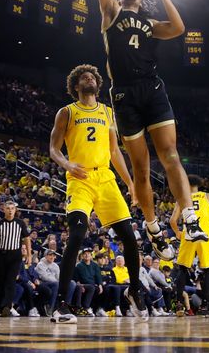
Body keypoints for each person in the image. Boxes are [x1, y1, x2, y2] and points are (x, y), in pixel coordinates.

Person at [95, 0, 208, 252]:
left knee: (171, 153)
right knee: (141, 169)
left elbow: (178, 27)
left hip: (152, 88)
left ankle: (188, 217)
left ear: (142, 1)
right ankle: (153, 227)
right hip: (124, 94)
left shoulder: (150, 23)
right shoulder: (110, 12)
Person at [48, 64, 148, 323]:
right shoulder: (67, 112)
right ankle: (61, 304)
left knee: (128, 235)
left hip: (105, 178)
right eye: (83, 77)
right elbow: (54, 149)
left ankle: (133, 291)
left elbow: (115, 152)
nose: (88, 78)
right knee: (78, 234)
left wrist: (131, 183)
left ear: (97, 83)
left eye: (91, 76)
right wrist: (68, 164)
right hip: (79, 178)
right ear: (75, 86)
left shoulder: (107, 112)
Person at [169, 175, 209, 316]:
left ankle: (178, 305)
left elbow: (172, 221)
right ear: (198, 185)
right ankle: (205, 305)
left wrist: (177, 232)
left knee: (182, 269)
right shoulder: (208, 196)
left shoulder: (182, 198)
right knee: (208, 270)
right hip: (204, 236)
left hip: (188, 234)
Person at [0, 201, 32, 317]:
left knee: (11, 281)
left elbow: (27, 239)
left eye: (12, 208)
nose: (10, 210)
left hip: (15, 255)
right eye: (8, 208)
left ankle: (7, 306)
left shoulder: (20, 223)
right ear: (3, 210)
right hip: (2, 254)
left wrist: (29, 255)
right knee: (1, 281)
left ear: (15, 210)